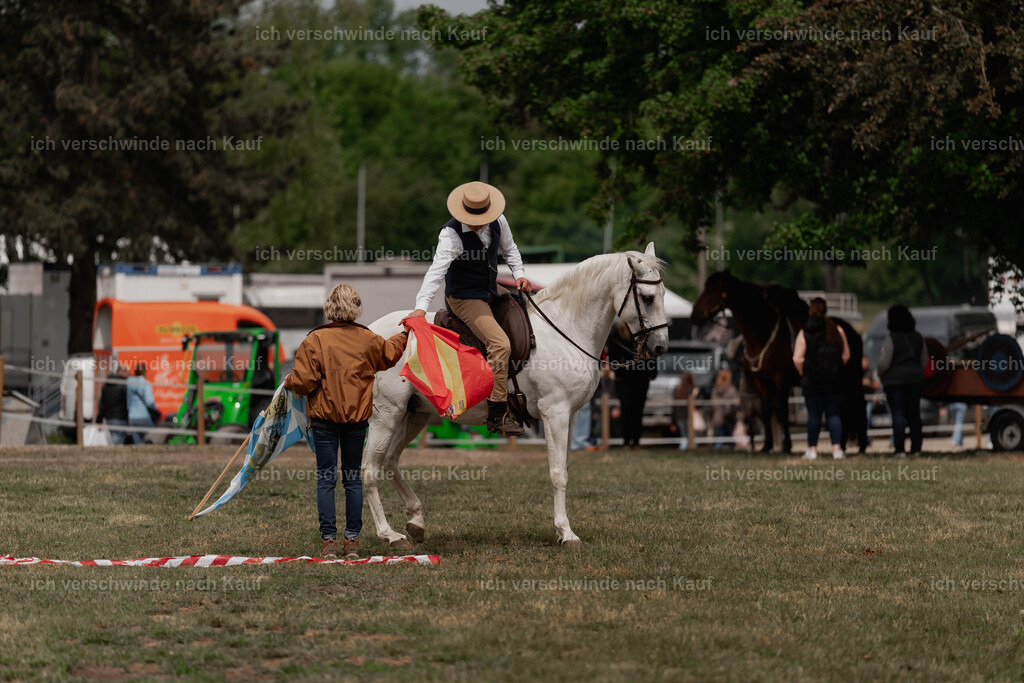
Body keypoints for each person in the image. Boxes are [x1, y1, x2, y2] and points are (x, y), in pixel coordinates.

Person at [284, 284, 408, 560]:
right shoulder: (368, 339)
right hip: (356, 422)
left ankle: (329, 542)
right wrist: (406, 333)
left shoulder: (314, 340)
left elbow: (304, 381)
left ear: (330, 307)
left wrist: (290, 380)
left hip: (324, 421)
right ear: (355, 307)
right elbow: (389, 354)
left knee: (326, 480)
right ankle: (352, 541)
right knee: (352, 479)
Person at [407, 181, 532, 437]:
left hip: (491, 290)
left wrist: (519, 274)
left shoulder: (499, 221)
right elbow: (436, 272)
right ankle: (497, 414)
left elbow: (510, 249)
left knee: (528, 314)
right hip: (464, 297)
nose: (478, 224)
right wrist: (420, 307)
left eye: (481, 219)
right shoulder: (450, 234)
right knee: (500, 344)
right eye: (473, 220)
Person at [793, 298, 851, 460]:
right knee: (834, 415)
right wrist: (836, 368)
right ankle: (837, 449)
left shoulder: (805, 331)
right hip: (834, 380)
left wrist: (804, 372)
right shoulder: (836, 330)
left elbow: (797, 358)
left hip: (812, 381)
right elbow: (846, 355)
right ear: (826, 309)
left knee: (814, 416)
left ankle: (812, 450)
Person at [877, 304, 928, 456]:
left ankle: (900, 449)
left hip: (895, 382)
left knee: (898, 414)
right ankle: (916, 448)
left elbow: (884, 363)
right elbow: (925, 361)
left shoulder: (892, 338)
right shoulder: (918, 338)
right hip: (915, 381)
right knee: (914, 415)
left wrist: (881, 374)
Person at [608, 320, 657, 449]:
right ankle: (626, 441)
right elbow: (612, 353)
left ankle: (635, 441)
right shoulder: (618, 331)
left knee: (638, 409)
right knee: (625, 409)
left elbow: (652, 353)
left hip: (641, 376)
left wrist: (652, 372)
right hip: (624, 377)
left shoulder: (644, 331)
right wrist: (617, 372)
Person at [96, 362, 129, 445]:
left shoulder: (106, 385)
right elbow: (127, 402)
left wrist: (99, 419)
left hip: (109, 418)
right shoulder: (124, 385)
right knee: (117, 442)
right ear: (122, 373)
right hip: (121, 417)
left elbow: (101, 404)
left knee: (113, 439)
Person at [126, 362, 159, 445]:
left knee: (138, 442)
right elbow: (150, 402)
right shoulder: (145, 384)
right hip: (144, 415)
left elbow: (127, 400)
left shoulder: (128, 383)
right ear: (144, 372)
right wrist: (155, 409)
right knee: (151, 439)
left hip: (132, 416)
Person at [709, 369, 740, 449]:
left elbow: (713, 404)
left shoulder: (715, 390)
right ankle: (732, 451)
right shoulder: (731, 389)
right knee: (731, 439)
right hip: (730, 417)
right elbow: (736, 404)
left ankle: (718, 451)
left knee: (720, 439)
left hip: (718, 417)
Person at [671, 372, 700, 450]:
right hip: (690, 416)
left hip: (680, 416)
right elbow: (698, 404)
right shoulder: (693, 390)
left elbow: (674, 406)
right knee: (692, 434)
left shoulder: (678, 390)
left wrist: (673, 421)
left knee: (684, 435)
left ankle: (684, 448)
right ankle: (692, 448)